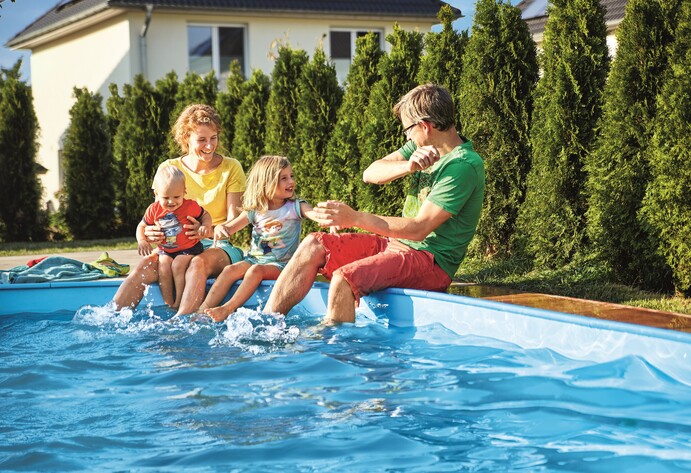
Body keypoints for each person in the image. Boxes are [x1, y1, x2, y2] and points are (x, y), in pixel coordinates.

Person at [263, 83, 485, 324]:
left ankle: (336, 356)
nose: (407, 136)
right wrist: (408, 166)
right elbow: (370, 173)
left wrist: (354, 218)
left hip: (430, 262)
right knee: (313, 244)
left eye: (407, 130)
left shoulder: (463, 166)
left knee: (344, 279)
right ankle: (268, 325)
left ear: (425, 126)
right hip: (396, 246)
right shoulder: (421, 145)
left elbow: (420, 229)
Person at [112, 104, 246, 314]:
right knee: (145, 265)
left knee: (198, 263)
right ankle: (111, 318)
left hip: (217, 245)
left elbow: (234, 221)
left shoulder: (231, 168)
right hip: (174, 247)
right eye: (202, 140)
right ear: (186, 138)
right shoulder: (169, 169)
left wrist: (206, 230)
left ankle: (182, 323)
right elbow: (157, 213)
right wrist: (149, 232)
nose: (210, 145)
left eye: (214, 138)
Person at [199, 155, 322, 322]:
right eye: (284, 178)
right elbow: (230, 228)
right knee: (230, 270)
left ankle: (227, 308)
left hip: (282, 264)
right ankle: (202, 310)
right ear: (266, 183)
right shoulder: (255, 210)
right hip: (254, 259)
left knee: (255, 272)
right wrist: (221, 228)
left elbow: (315, 214)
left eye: (291, 176)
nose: (291, 181)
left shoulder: (295, 206)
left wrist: (329, 219)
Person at [137, 165, 212, 308]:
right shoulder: (154, 209)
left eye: (176, 197)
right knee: (164, 267)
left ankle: (180, 300)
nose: (171, 202)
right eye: (165, 197)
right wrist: (142, 240)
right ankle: (168, 302)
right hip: (166, 250)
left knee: (178, 265)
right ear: (157, 194)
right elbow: (141, 226)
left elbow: (205, 215)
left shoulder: (190, 206)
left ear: (184, 192)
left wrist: (205, 226)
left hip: (189, 248)